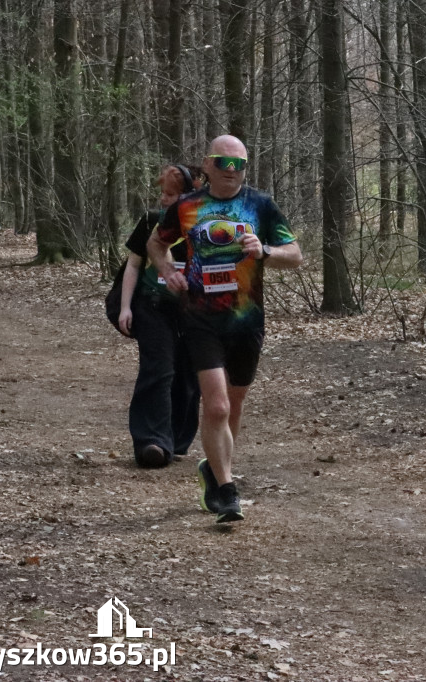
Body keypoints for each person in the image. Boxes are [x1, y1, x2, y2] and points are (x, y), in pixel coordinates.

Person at [148, 135, 303, 523]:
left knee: (232, 406)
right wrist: (168, 271)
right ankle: (228, 490)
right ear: (207, 165)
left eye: (239, 164)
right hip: (200, 317)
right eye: (223, 163)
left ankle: (214, 471)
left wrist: (264, 251)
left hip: (246, 319)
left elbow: (295, 255)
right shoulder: (187, 206)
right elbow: (156, 244)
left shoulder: (261, 205)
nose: (231, 171)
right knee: (215, 405)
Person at [119, 164, 204, 468]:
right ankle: (151, 442)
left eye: (171, 194)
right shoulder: (151, 222)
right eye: (163, 194)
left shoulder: (204, 226)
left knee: (188, 376)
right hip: (152, 307)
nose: (164, 200)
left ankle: (177, 439)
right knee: (159, 370)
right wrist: (125, 307)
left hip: (192, 313)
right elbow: (132, 265)